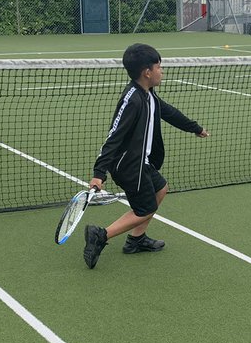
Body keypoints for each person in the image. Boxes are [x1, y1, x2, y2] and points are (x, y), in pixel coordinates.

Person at [82, 43, 209, 269]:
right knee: (145, 208)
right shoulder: (132, 99)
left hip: (143, 161)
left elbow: (167, 112)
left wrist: (194, 128)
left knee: (161, 188)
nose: (162, 71)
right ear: (147, 72)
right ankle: (100, 235)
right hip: (129, 165)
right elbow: (114, 136)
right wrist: (99, 173)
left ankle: (136, 240)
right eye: (159, 67)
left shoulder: (148, 94)